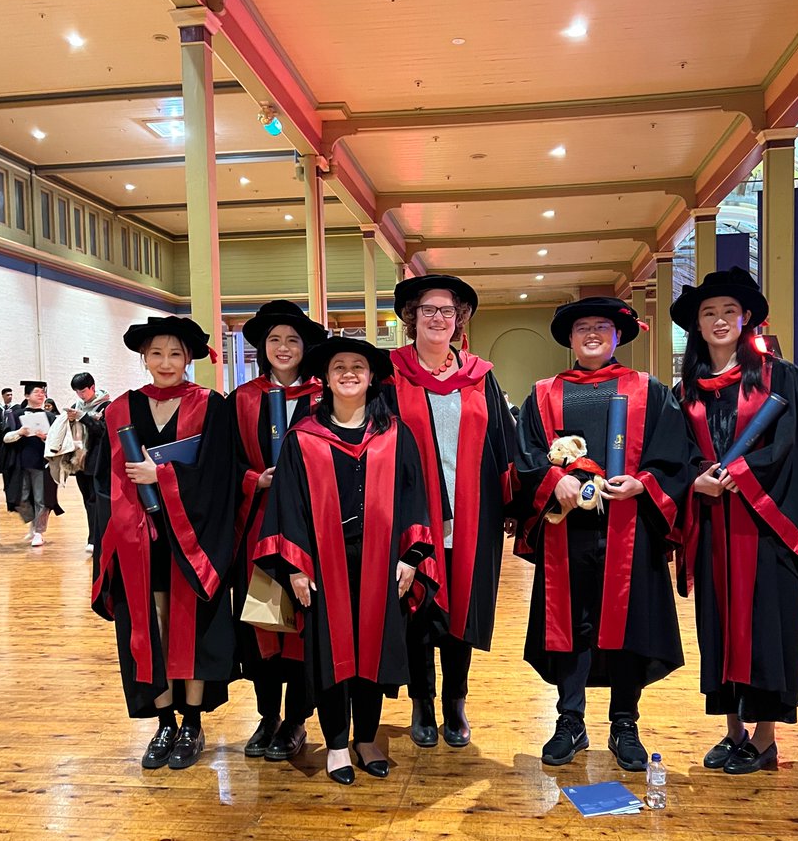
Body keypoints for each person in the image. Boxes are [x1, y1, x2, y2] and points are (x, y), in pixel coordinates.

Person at [515, 297, 696, 771]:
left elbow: (674, 456)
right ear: (570, 339)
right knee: (569, 628)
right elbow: (527, 456)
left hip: (629, 529)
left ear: (618, 335)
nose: (592, 334)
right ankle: (570, 721)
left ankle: (624, 723)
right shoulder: (544, 393)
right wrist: (557, 481)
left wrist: (645, 482)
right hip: (565, 533)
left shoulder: (648, 391)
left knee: (628, 627)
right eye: (582, 328)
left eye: (602, 327)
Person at [671, 268, 798, 774]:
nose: (719, 320)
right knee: (717, 624)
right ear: (696, 326)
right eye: (708, 313)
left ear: (746, 320)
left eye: (728, 312)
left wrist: (744, 471)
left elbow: (792, 446)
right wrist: (697, 478)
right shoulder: (688, 390)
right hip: (714, 524)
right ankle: (732, 732)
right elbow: (677, 452)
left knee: (766, 624)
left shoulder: (778, 376)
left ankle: (764, 739)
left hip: (764, 525)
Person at [256, 337, 436, 785]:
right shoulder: (304, 438)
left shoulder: (395, 434)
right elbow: (289, 504)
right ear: (326, 377)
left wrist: (412, 557)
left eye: (359, 366)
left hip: (383, 563)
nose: (350, 373)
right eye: (340, 367)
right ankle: (336, 742)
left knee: (373, 652)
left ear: (372, 376)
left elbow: (416, 498)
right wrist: (296, 566)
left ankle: (367, 738)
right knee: (329, 652)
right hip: (323, 564)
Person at [92, 316, 237, 770]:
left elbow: (220, 475)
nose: (166, 362)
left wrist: (164, 477)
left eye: (175, 353)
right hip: (138, 540)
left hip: (194, 538)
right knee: (151, 625)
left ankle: (192, 723)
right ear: (144, 358)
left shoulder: (211, 406)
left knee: (190, 628)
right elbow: (103, 481)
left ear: (189, 358)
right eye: (157, 353)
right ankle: (164, 723)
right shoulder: (120, 410)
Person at [389, 275, 516, 748]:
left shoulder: (481, 376)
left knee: (462, 609)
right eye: (428, 310)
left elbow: (504, 443)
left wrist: (512, 503)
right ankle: (422, 701)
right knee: (417, 611)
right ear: (412, 318)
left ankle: (455, 701)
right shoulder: (391, 375)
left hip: (471, 517)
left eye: (447, 310)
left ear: (458, 319)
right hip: (412, 517)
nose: (438, 317)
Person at [230, 300, 326, 761]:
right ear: (262, 348)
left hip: (311, 531)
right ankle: (267, 716)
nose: (284, 347)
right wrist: (255, 480)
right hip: (259, 528)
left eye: (292, 339)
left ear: (305, 346)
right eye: (274, 340)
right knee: (264, 624)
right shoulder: (242, 399)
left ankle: (295, 722)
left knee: (304, 628)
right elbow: (223, 467)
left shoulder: (324, 397)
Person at [0, 380, 63, 547]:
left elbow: (59, 441)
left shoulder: (50, 417)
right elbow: (5, 438)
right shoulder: (15, 415)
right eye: (37, 392)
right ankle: (33, 525)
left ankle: (39, 532)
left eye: (43, 392)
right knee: (21, 497)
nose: (41, 395)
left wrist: (46, 438)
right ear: (27, 395)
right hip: (20, 462)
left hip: (41, 463)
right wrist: (20, 432)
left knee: (42, 498)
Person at [68, 372, 110, 554]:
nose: (80, 395)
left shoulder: (107, 406)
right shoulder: (75, 406)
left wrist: (83, 417)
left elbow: (104, 431)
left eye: (83, 391)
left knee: (97, 500)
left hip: (98, 460)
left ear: (93, 387)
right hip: (79, 461)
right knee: (87, 501)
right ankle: (93, 537)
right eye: (77, 392)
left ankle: (97, 539)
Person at [0, 387, 14, 475]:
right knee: (1, 462)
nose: (10, 396)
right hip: (0, 440)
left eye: (11, 395)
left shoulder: (15, 408)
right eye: (8, 395)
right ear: (3, 396)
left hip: (11, 439)